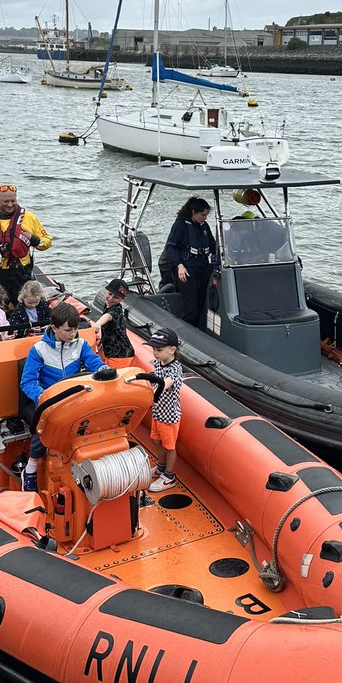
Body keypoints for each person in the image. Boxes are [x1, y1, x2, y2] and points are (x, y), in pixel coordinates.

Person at [19, 301, 106, 491]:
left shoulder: (81, 344)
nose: (73, 334)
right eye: (68, 330)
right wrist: (44, 398)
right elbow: (27, 382)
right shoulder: (39, 350)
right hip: (48, 400)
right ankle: (31, 467)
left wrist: (104, 370)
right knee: (46, 425)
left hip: (74, 397)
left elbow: (93, 362)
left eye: (75, 329)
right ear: (54, 328)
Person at [164, 196, 216, 327]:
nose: (205, 218)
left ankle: (200, 328)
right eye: (203, 215)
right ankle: (188, 330)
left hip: (202, 267)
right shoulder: (180, 225)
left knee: (201, 303)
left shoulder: (204, 226)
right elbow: (171, 247)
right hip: (187, 269)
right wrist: (180, 266)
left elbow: (212, 244)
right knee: (190, 307)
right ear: (194, 212)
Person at [142, 327, 183, 492]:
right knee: (156, 440)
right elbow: (155, 375)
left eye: (158, 349)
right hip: (157, 412)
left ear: (172, 350)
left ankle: (169, 476)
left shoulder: (175, 369)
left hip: (168, 416)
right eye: (153, 349)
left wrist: (155, 389)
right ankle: (161, 466)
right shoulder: (159, 363)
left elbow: (167, 382)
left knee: (169, 446)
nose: (154, 352)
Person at [92, 278, 135, 368]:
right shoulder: (108, 305)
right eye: (110, 294)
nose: (111, 298)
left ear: (122, 300)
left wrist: (98, 324)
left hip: (119, 355)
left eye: (116, 297)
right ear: (106, 291)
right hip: (111, 348)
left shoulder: (115, 310)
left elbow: (108, 316)